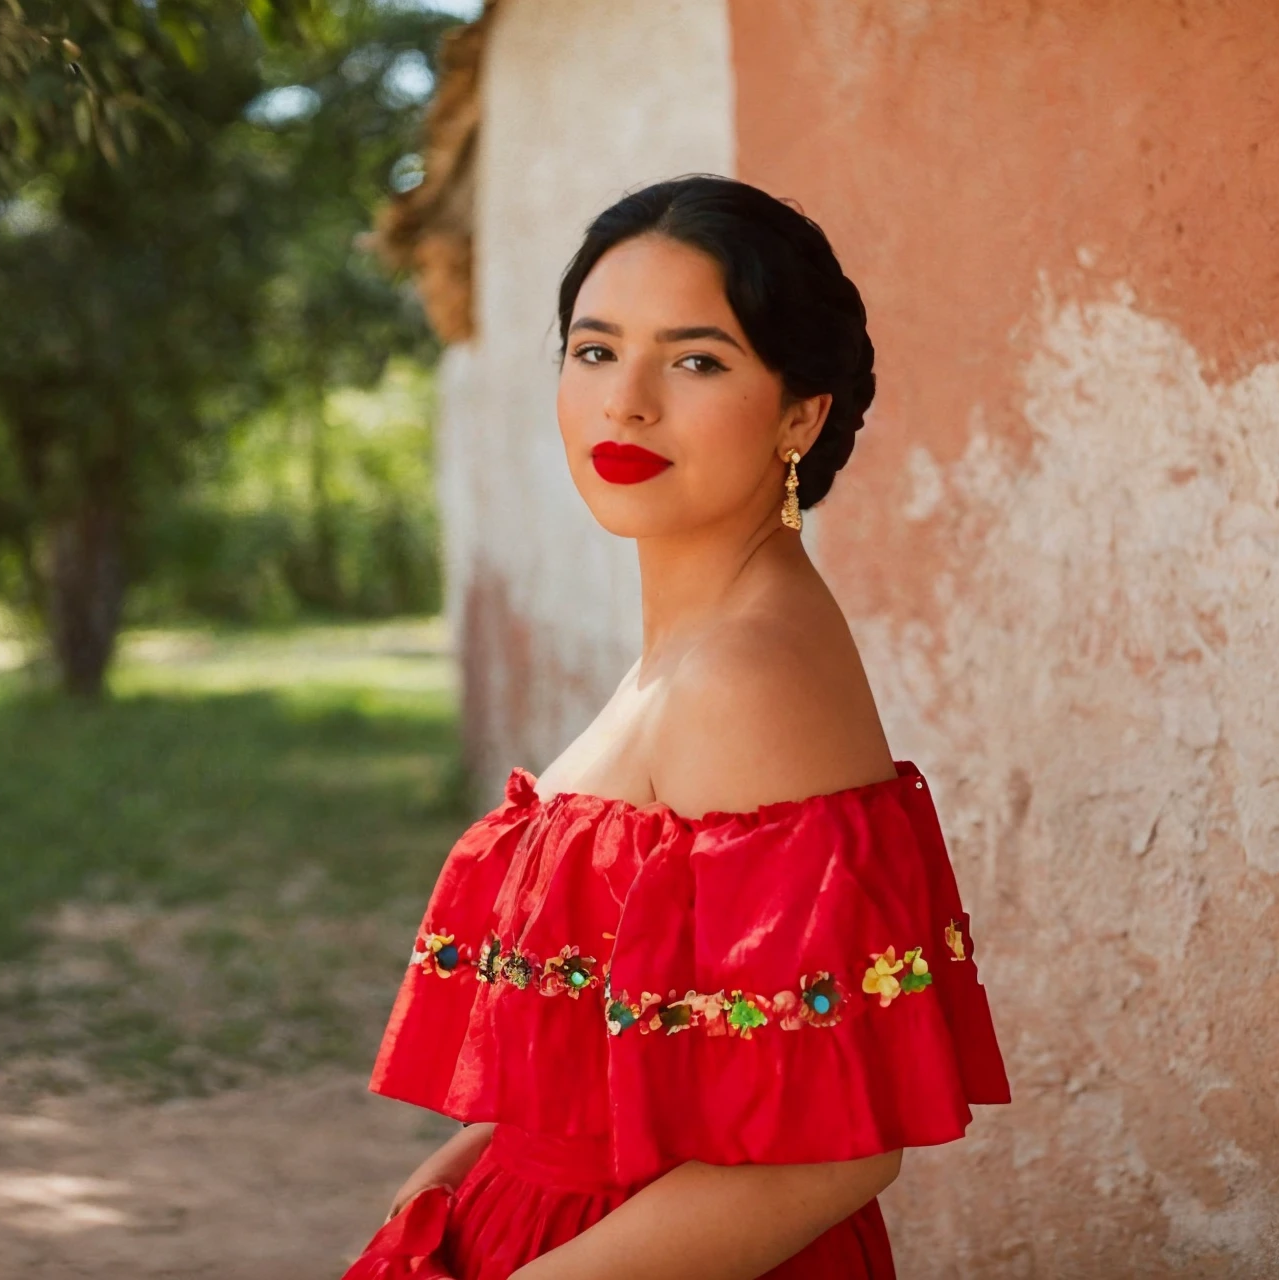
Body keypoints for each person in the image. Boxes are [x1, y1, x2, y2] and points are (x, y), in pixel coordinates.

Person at [339, 175, 1009, 1280]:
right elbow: (647, 1059)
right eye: (595, 350)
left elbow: (828, 1160)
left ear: (802, 411)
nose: (626, 401)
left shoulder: (751, 675)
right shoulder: (697, 642)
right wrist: (462, 1172)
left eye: (697, 359)